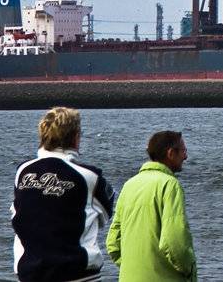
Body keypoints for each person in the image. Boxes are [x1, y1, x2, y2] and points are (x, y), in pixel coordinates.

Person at [11, 106, 115, 282]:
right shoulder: (90, 177)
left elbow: (19, 213)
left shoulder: (23, 171)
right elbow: (105, 214)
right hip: (77, 273)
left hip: (30, 272)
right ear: (75, 138)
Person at [108, 130, 196, 281]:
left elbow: (113, 242)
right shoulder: (170, 185)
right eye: (183, 151)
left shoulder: (129, 185)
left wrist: (133, 268)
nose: (186, 157)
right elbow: (174, 242)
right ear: (170, 153)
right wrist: (189, 269)